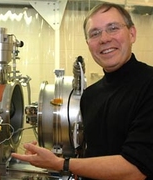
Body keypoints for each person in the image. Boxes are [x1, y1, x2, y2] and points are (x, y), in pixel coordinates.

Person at [12, 2, 153, 180]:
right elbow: (93, 155)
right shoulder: (91, 95)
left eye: (113, 28)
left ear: (132, 33)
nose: (104, 39)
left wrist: (60, 164)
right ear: (88, 44)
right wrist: (59, 160)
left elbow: (135, 169)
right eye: (95, 33)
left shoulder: (148, 85)